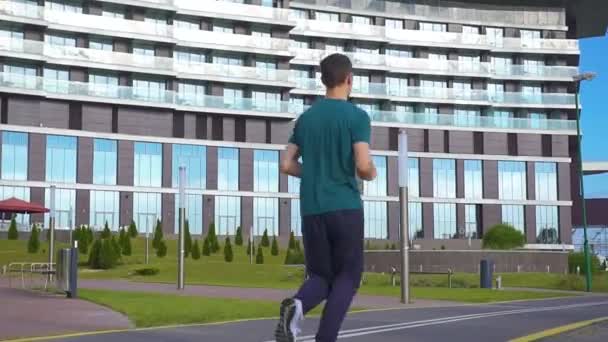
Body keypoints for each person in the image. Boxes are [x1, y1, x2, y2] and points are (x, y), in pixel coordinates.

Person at [274, 53, 377, 342]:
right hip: (345, 207)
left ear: (323, 81)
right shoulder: (357, 116)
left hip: (312, 209)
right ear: (349, 79)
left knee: (321, 277)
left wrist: (317, 174)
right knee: (349, 275)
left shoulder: (306, 119)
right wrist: (371, 173)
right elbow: (362, 164)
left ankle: (297, 305)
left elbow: (286, 164)